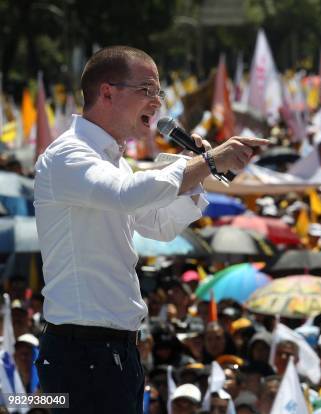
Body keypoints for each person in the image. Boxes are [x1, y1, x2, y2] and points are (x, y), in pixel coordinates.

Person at [33, 45, 267, 413]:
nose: (157, 103)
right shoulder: (69, 154)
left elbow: (158, 224)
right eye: (147, 90)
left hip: (114, 349)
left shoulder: (113, 162)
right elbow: (128, 196)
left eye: (159, 92)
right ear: (107, 92)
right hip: (81, 352)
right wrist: (207, 161)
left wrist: (198, 172)